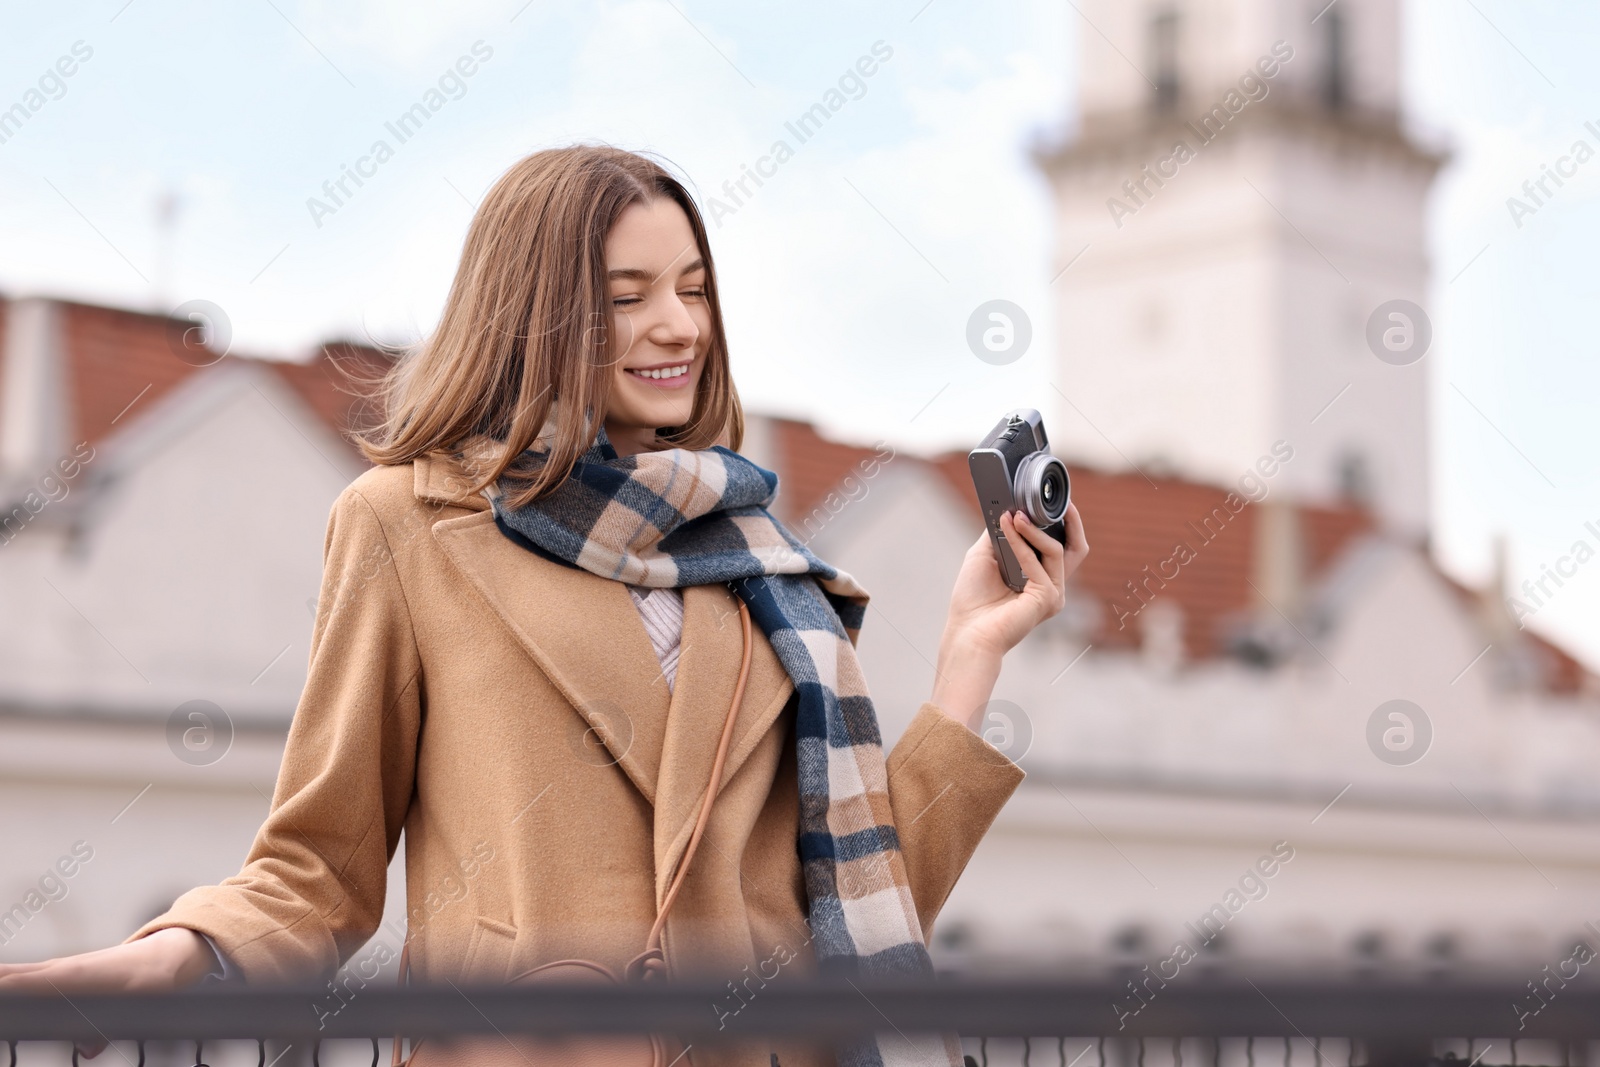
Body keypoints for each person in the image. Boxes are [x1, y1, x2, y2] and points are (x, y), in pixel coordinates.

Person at [0, 145, 1089, 1066]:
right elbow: (319, 866)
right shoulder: (405, 526)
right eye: (626, 297)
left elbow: (859, 902)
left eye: (693, 288)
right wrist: (181, 950)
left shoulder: (765, 562)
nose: (677, 326)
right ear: (534, 313)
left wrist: (967, 652)